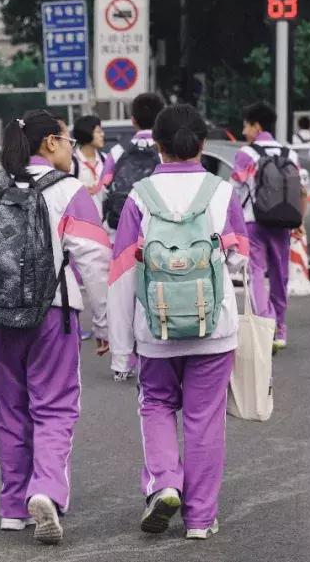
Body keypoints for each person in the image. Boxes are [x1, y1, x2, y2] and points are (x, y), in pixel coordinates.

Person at [0, 110, 110, 545]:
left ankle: (12, 507)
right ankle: (46, 491)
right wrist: (104, 323)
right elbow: (95, 262)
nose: (72, 149)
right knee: (55, 408)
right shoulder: (70, 191)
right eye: (68, 141)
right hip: (53, 315)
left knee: (12, 411)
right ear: (52, 144)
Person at [108, 104, 248, 540]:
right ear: (202, 144)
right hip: (214, 329)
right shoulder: (222, 192)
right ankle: (201, 519)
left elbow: (121, 275)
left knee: (156, 405)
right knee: (205, 419)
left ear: (158, 146)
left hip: (156, 329)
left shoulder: (139, 196)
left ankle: (166, 483)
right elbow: (241, 259)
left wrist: (119, 348)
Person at [231, 101, 305, 350]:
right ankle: (281, 328)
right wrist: (299, 220)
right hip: (283, 222)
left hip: (254, 222)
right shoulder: (290, 153)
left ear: (256, 126)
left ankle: (265, 326)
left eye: (246, 126)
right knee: (280, 274)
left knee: (256, 275)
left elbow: (236, 189)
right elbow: (300, 189)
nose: (244, 132)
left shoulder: (246, 153)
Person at [102, 93, 165, 229]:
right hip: (157, 229)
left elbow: (104, 187)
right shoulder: (167, 151)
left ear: (133, 120)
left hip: (122, 226)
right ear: (161, 119)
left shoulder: (117, 151)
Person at [71, 115, 107, 218]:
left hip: (105, 227)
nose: (102, 134)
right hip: (81, 225)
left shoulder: (105, 160)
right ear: (87, 132)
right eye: (98, 132)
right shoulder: (72, 163)